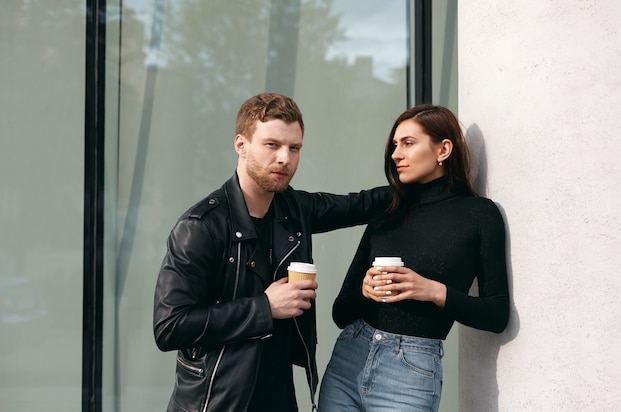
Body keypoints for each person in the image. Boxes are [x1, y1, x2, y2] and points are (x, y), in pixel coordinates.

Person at [153, 92, 390, 412]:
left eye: (294, 148)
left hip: (278, 397)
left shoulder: (294, 209)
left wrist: (422, 183)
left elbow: (360, 205)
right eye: (272, 145)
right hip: (217, 402)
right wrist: (265, 307)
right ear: (241, 145)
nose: (284, 158)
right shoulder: (201, 227)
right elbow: (170, 326)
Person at [318, 104, 510, 411]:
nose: (395, 154)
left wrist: (433, 291)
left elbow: (497, 315)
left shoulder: (479, 215)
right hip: (348, 361)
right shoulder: (389, 208)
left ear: (443, 149)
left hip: (411, 372)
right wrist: (364, 292)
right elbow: (341, 313)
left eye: (408, 143)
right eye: (395, 145)